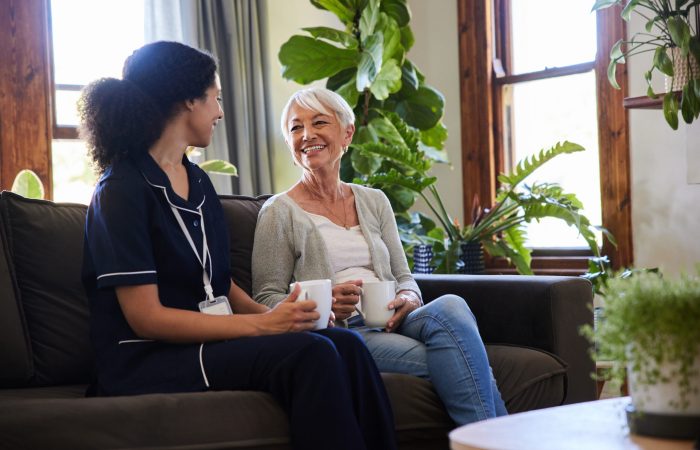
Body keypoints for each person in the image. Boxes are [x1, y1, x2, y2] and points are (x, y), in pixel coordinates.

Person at [79, 42, 396, 450]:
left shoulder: (198, 182)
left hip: (207, 340)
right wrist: (263, 326)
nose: (220, 112)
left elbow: (219, 283)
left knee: (347, 344)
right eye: (216, 98)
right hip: (147, 357)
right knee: (310, 355)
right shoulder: (121, 190)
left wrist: (282, 316)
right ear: (189, 100)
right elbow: (147, 318)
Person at [252, 87, 508, 425]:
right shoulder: (278, 212)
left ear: (347, 133)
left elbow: (404, 276)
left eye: (319, 123)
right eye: (296, 128)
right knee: (463, 359)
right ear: (289, 144)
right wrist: (323, 303)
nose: (307, 135)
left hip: (396, 320)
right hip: (346, 332)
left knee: (451, 305)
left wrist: (407, 296)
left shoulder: (375, 201)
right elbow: (266, 297)